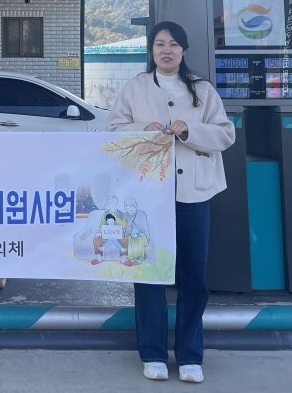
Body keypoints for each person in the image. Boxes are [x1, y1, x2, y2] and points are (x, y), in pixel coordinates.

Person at [108, 21, 234, 384]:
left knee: (193, 275)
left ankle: (190, 355)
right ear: (151, 50)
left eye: (174, 44)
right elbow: (113, 130)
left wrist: (190, 130)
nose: (167, 50)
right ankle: (152, 353)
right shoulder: (135, 88)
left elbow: (226, 134)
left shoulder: (203, 90)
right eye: (160, 44)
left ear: (184, 51)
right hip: (148, 196)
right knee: (149, 272)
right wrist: (142, 130)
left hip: (194, 194)